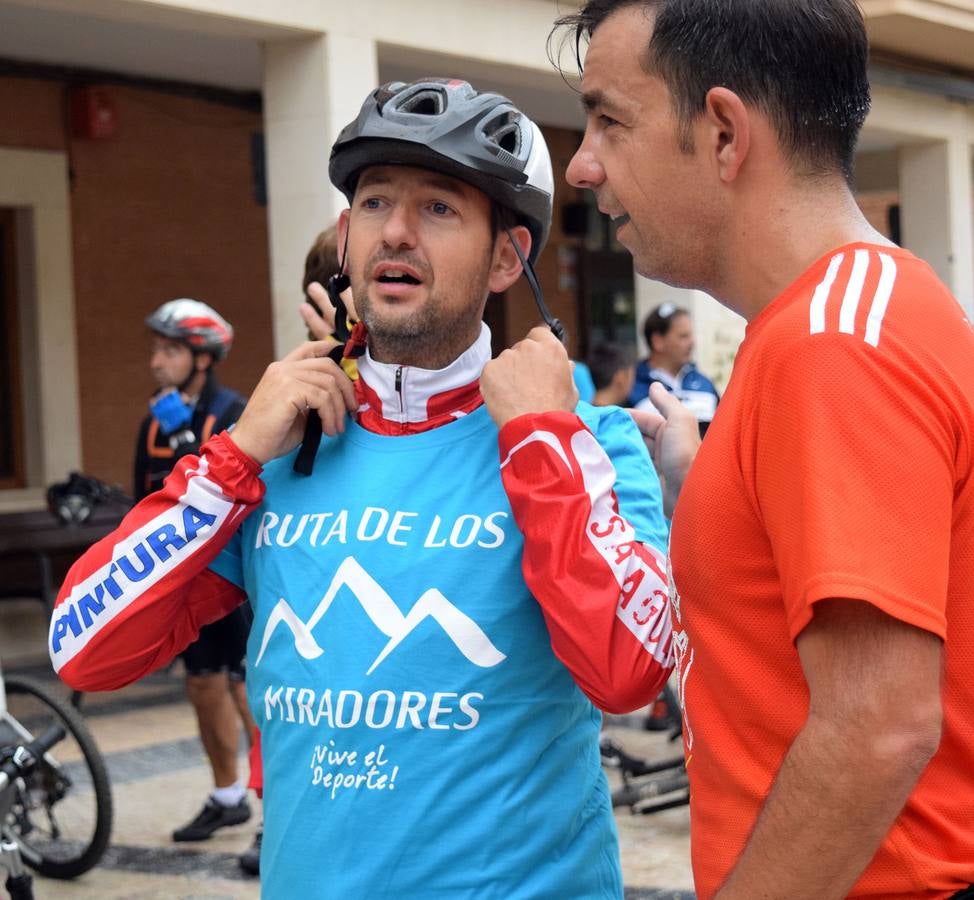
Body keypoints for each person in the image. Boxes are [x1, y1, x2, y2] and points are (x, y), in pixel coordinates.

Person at [49, 79, 674, 898]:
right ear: (345, 239)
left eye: (440, 207)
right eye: (376, 202)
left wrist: (544, 440)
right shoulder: (274, 452)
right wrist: (235, 454)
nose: (398, 233)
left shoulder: (587, 441)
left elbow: (632, 669)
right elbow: (83, 648)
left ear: (506, 257)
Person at [554, 1, 974, 898]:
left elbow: (880, 725)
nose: (582, 166)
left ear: (722, 134)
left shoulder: (832, 343)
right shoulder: (851, 314)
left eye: (609, 120)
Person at [135, 299, 257, 842]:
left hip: (232, 580)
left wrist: (190, 441)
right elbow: (146, 496)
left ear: (202, 358)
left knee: (246, 689)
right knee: (203, 685)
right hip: (183, 579)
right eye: (156, 350)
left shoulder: (234, 410)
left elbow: (247, 492)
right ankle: (226, 794)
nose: (156, 362)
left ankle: (271, 805)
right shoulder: (154, 418)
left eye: (170, 351)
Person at [629, 303, 719, 435]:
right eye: (683, 336)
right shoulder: (630, 385)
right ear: (657, 341)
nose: (692, 342)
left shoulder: (705, 383)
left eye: (691, 335)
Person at [588, 341, 636, 408]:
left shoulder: (579, 415)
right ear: (621, 377)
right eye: (632, 376)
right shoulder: (620, 417)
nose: (633, 383)